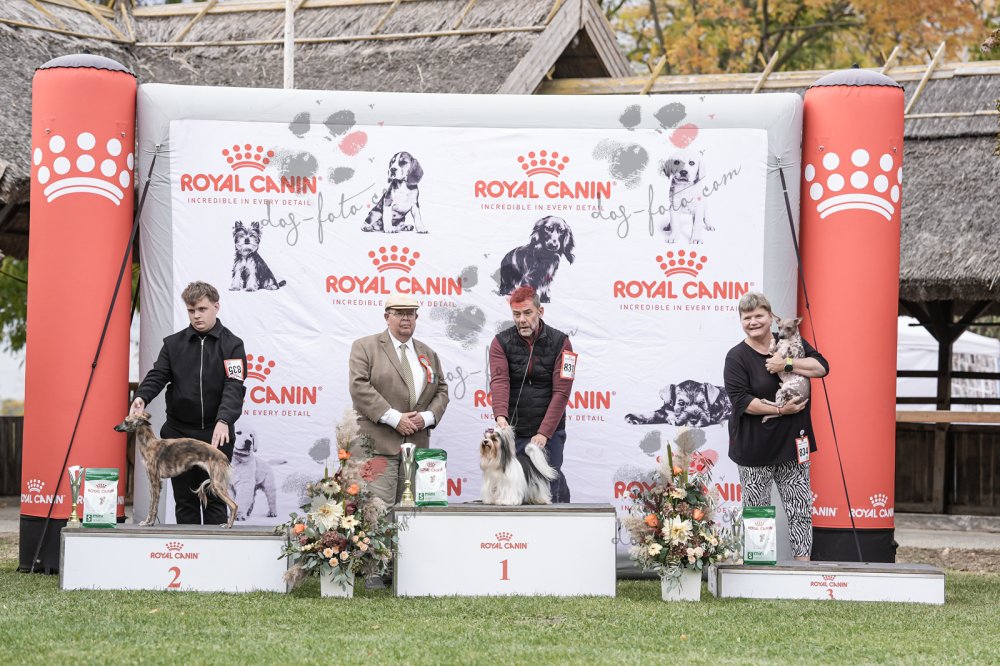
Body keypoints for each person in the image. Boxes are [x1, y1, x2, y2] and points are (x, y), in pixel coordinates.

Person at [723, 292, 829, 561]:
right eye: (747, 318)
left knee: (800, 509)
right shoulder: (736, 357)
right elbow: (742, 402)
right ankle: (760, 567)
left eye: (759, 315)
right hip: (754, 448)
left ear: (771, 317)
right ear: (741, 322)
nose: (753, 322)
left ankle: (803, 567)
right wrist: (781, 410)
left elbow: (821, 367)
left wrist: (787, 364)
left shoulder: (790, 341)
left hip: (793, 445)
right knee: (758, 512)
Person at [130, 281, 247, 526]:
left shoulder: (233, 345)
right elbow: (158, 375)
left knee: (215, 500)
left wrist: (224, 419)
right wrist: (141, 396)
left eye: (202, 309)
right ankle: (188, 551)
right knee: (185, 502)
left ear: (216, 307)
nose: (196, 316)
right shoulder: (173, 344)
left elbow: (234, 386)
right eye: (191, 310)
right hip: (178, 434)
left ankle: (215, 550)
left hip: (216, 435)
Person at [348, 293, 449, 506]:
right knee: (377, 515)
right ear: (387, 317)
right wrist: (394, 418)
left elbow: (441, 389)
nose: (406, 318)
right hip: (377, 448)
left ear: (416, 318)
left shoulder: (429, 353)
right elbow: (359, 386)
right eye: (399, 313)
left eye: (410, 313)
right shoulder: (364, 346)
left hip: (417, 449)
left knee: (413, 516)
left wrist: (427, 417)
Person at [489, 285, 576, 503]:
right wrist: (501, 417)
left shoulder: (563, 343)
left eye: (528, 313)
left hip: (549, 434)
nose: (521, 320)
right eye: (516, 314)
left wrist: (544, 434)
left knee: (548, 492)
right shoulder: (500, 342)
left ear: (540, 311)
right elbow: (499, 381)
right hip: (514, 432)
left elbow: (562, 392)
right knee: (511, 494)